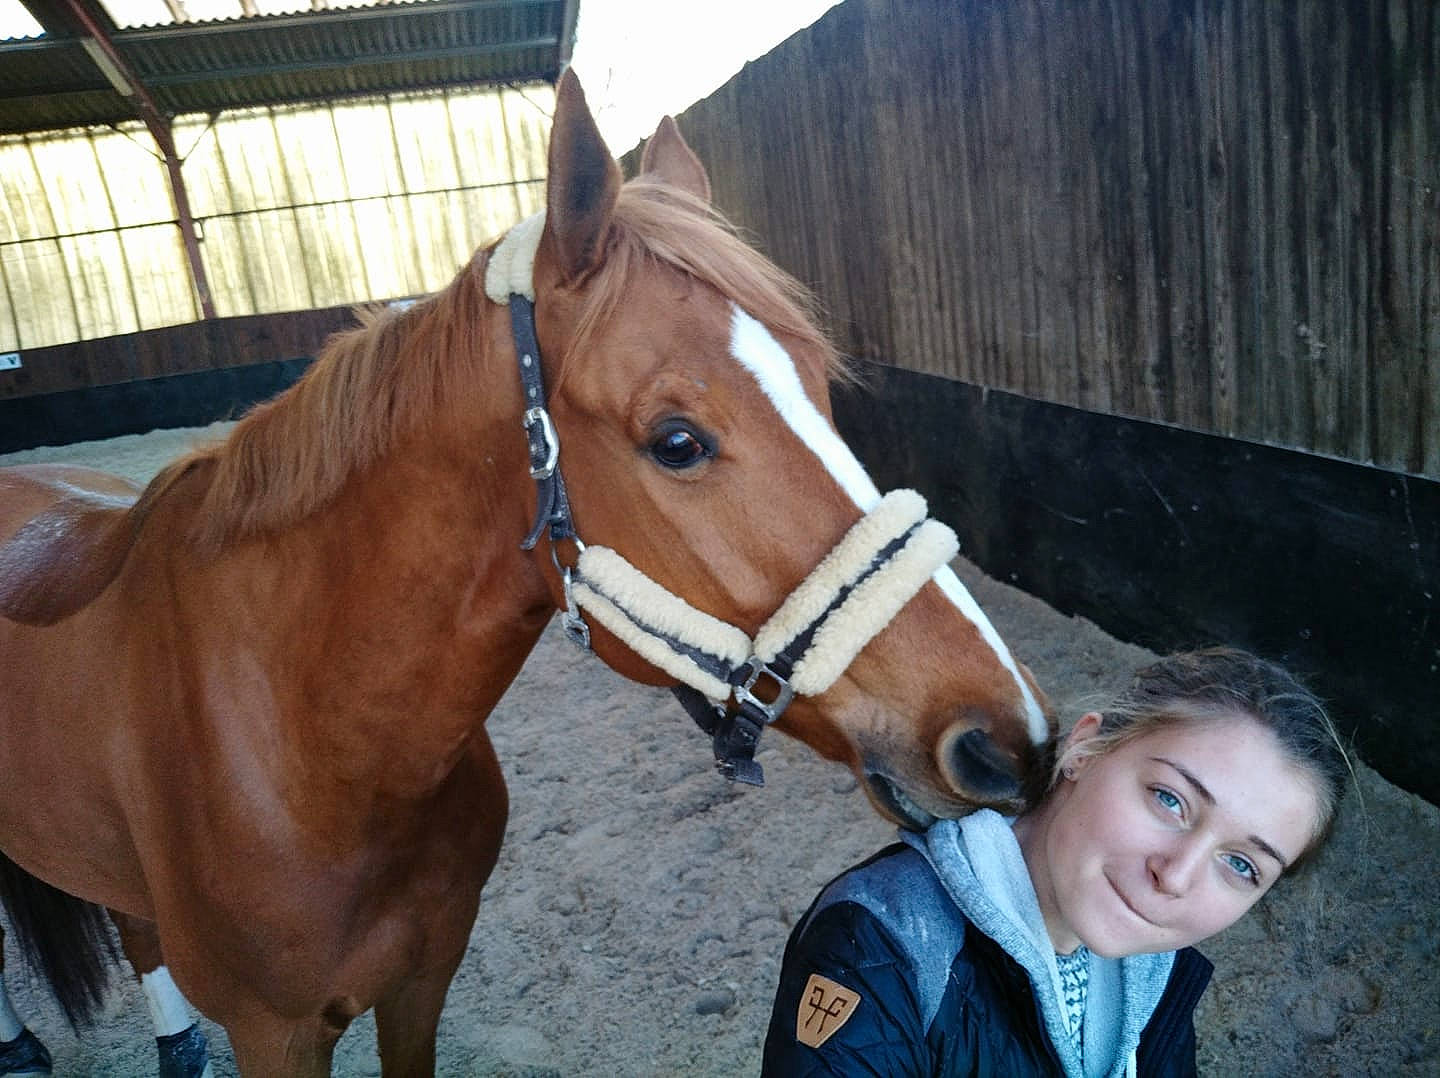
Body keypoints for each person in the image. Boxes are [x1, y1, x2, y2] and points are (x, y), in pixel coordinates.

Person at [761, 647, 1352, 1077]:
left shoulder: (1157, 975)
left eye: (1242, 865)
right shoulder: (879, 945)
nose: (1174, 876)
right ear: (1084, 750)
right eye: (1170, 800)